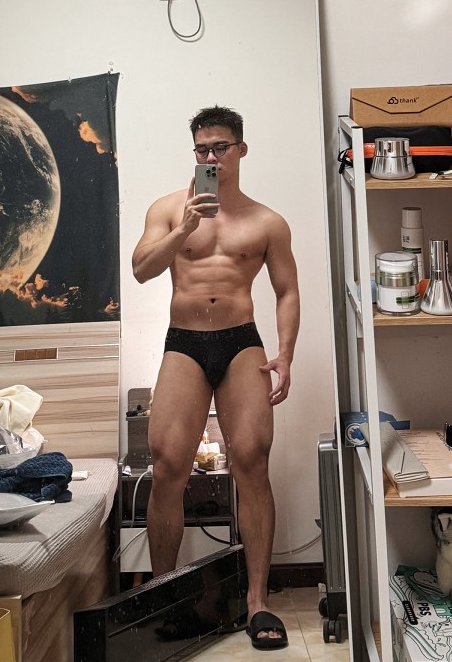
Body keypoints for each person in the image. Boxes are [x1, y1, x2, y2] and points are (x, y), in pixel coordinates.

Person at [132, 105, 300, 650]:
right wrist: (184, 227)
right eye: (202, 149)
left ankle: (257, 601)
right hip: (184, 342)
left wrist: (286, 354)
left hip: (240, 341)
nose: (210, 157)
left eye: (220, 147)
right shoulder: (168, 209)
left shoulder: (266, 221)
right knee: (166, 465)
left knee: (252, 459)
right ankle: (166, 596)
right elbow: (141, 269)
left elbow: (286, 290)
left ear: (240, 150)